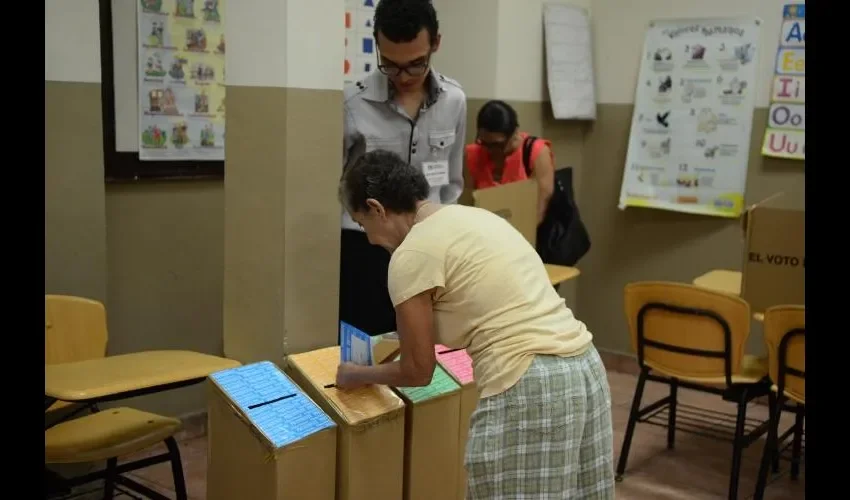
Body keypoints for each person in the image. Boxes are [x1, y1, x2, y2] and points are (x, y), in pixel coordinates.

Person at [335, 149, 615, 499]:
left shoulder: (411, 255)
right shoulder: (474, 218)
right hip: (584, 367)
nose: (371, 239)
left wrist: (357, 374)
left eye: (363, 225)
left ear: (377, 208)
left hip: (528, 382)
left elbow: (418, 371)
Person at [339, 0, 467, 336]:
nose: (403, 77)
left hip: (430, 244)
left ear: (435, 43)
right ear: (378, 45)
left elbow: (452, 184)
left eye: (415, 65)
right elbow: (336, 188)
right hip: (366, 250)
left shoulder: (454, 101)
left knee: (425, 345)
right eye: (390, 66)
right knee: (368, 345)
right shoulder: (353, 104)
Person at [466, 100, 555, 224]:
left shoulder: (535, 152)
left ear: (515, 133)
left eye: (497, 145)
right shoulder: (474, 153)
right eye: (484, 143)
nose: (490, 150)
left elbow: (538, 210)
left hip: (524, 231)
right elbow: (468, 204)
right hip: (484, 229)